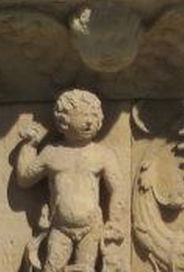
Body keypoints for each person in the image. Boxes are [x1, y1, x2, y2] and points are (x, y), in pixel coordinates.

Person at [15, 89, 124, 272]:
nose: (90, 121)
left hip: (91, 227)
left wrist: (114, 220)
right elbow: (25, 178)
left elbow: (117, 188)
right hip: (59, 227)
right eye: (83, 115)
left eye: (94, 115)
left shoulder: (102, 154)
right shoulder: (53, 153)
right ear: (63, 121)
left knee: (85, 268)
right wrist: (30, 146)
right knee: (52, 267)